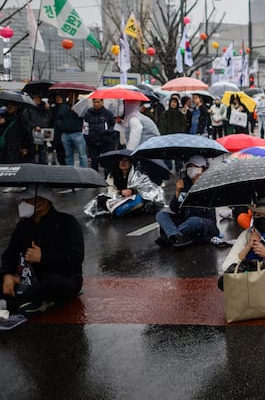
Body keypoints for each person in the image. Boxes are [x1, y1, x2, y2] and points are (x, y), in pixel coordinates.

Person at [1, 186, 83, 316]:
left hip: (61, 277)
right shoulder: (24, 225)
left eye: (26, 200)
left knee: (54, 284)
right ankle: (30, 301)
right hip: (28, 277)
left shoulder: (67, 223)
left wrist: (42, 258)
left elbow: (75, 258)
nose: (22, 204)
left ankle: (20, 302)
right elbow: (11, 253)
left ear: (42, 202)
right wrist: (7, 275)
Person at [155, 155, 217, 250]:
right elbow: (174, 209)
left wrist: (197, 187)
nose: (191, 169)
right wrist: (177, 192)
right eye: (189, 166)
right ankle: (176, 237)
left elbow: (204, 210)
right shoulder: (184, 182)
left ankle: (170, 237)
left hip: (205, 223)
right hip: (185, 220)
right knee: (161, 214)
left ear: (203, 169)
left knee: (194, 221)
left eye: (195, 166)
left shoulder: (209, 183)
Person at [84, 154, 164, 218]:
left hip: (134, 198)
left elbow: (147, 188)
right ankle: (124, 210)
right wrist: (120, 192)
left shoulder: (138, 174)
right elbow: (110, 191)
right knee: (101, 198)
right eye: (121, 160)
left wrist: (133, 191)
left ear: (131, 163)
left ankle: (122, 211)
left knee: (140, 199)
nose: (123, 163)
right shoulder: (113, 174)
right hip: (119, 199)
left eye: (126, 161)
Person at [83, 99, 116, 172]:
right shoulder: (88, 113)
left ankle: (108, 178)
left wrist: (107, 131)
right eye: (94, 102)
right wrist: (86, 137)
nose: (96, 104)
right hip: (93, 142)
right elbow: (85, 127)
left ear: (102, 102)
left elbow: (114, 126)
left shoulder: (108, 113)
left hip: (106, 142)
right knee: (94, 163)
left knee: (107, 162)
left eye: (98, 102)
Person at [53, 95, 87, 167]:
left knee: (82, 155)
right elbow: (59, 118)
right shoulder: (64, 106)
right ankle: (70, 172)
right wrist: (62, 125)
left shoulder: (81, 105)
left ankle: (84, 171)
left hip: (77, 133)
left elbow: (85, 116)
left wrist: (77, 111)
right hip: (66, 134)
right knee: (68, 156)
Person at [22, 94, 52, 165]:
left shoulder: (43, 108)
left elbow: (49, 118)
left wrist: (48, 109)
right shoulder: (28, 108)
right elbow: (26, 119)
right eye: (35, 98)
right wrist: (34, 126)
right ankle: (32, 164)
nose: (37, 100)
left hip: (42, 131)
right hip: (31, 132)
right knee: (32, 150)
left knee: (43, 150)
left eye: (38, 98)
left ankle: (43, 165)